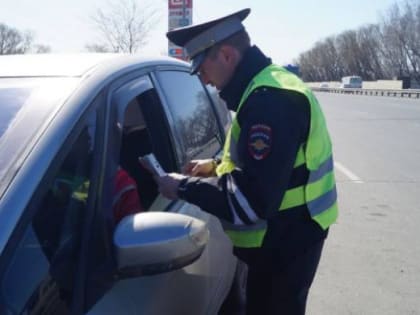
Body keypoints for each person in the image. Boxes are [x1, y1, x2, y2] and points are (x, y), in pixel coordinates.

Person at [157, 8, 338, 315]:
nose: (203, 79)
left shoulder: (270, 102)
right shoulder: (265, 88)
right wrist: (214, 166)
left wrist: (181, 187)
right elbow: (269, 161)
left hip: (286, 243)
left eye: (202, 67)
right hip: (287, 236)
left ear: (226, 55)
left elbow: (251, 202)